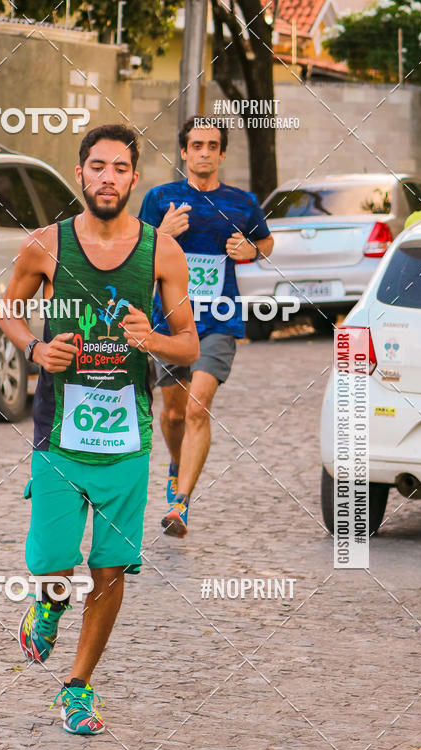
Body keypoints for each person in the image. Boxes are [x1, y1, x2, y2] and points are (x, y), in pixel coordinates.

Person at [0, 124, 198, 736]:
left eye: (120, 168)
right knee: (54, 564)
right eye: (97, 166)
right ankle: (49, 603)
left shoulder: (161, 251)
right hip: (60, 437)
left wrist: (152, 339)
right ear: (81, 174)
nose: (108, 177)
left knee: (110, 571)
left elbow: (188, 343)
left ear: (135, 179)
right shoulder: (45, 246)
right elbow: (8, 308)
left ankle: (78, 687)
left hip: (127, 441)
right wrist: (36, 349)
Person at [138, 116, 274, 537]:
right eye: (196, 145)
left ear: (222, 153)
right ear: (183, 152)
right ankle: (177, 465)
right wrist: (161, 233)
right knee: (173, 414)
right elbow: (137, 250)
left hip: (218, 320)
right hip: (169, 323)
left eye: (212, 145)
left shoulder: (242, 202)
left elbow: (265, 243)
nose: (204, 152)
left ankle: (180, 504)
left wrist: (251, 248)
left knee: (197, 407)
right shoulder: (160, 198)